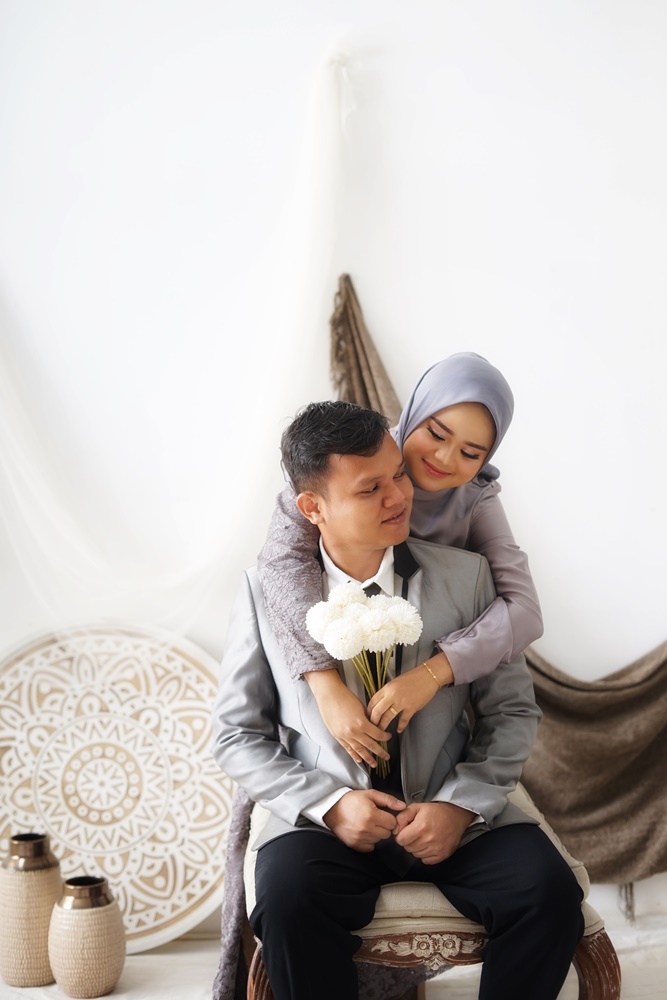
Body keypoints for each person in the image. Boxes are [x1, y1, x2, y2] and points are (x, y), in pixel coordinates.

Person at [212, 400, 583, 1000]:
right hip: (322, 825)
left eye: (400, 476)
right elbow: (237, 736)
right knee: (288, 901)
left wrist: (459, 806)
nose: (399, 497)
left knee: (548, 893)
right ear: (312, 508)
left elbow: (511, 711)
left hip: (453, 810)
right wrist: (330, 804)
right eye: (370, 489)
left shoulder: (467, 577)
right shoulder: (262, 593)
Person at [257, 353, 543, 769]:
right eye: (436, 433)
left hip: (429, 711)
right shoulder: (346, 460)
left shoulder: (475, 500)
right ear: (415, 414)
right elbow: (280, 564)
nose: (444, 458)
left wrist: (433, 673)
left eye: (470, 453)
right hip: (329, 719)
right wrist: (324, 684)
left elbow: (525, 611)